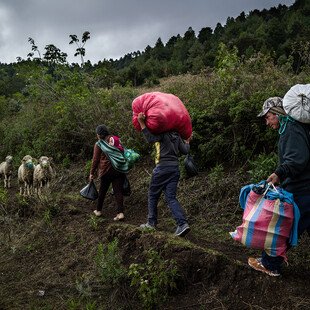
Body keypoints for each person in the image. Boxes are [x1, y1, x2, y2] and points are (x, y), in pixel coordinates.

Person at [248, 96, 310, 276]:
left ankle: (270, 264)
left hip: (301, 189)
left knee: (286, 228)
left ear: (277, 113)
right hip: (305, 187)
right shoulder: (293, 128)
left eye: (268, 117)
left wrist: (279, 173)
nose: (267, 122)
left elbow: (297, 160)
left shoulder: (291, 129)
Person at [137, 112, 192, 237]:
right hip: (175, 168)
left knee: (152, 194)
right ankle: (182, 224)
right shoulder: (177, 135)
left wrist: (141, 123)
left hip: (162, 168)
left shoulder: (162, 133)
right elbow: (184, 151)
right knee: (171, 197)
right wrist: (187, 142)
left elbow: (150, 139)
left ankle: (151, 223)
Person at [89, 124, 126, 221]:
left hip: (106, 170)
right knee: (118, 191)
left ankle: (98, 210)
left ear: (99, 134)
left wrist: (92, 172)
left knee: (102, 191)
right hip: (118, 168)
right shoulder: (115, 139)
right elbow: (123, 151)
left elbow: (95, 159)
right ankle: (120, 213)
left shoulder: (99, 144)